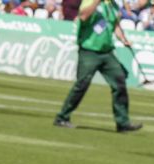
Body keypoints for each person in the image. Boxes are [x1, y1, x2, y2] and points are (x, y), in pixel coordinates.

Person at [53, 0, 142, 132]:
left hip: (107, 52)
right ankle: (62, 117)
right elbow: (83, 16)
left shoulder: (113, 5)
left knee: (119, 82)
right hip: (89, 50)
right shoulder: (90, 1)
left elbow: (115, 24)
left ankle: (123, 123)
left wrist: (123, 39)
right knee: (82, 84)